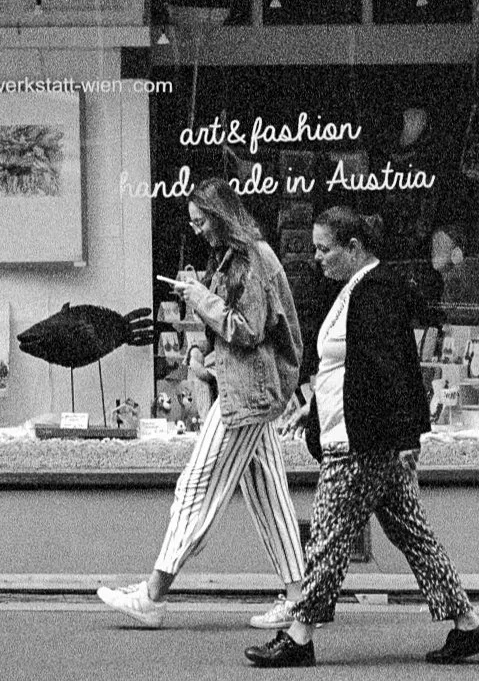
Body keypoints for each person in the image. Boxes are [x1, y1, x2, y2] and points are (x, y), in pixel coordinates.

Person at [244, 206, 479, 668]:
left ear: (353, 247)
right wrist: (313, 408)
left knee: (326, 535)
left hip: (362, 442)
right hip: (367, 436)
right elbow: (349, 369)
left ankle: (299, 637)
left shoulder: (373, 292)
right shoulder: (357, 289)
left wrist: (402, 437)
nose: (318, 258)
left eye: (325, 249)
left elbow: (389, 368)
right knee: (414, 535)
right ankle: (468, 625)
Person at [98, 178, 310, 632]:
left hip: (246, 396)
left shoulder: (253, 257)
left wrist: (201, 299)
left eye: (200, 221)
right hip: (252, 391)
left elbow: (248, 328)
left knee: (196, 487)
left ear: (220, 216)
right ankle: (300, 598)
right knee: (270, 496)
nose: (196, 231)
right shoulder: (243, 256)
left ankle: (152, 595)